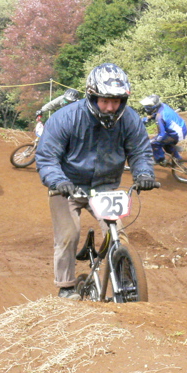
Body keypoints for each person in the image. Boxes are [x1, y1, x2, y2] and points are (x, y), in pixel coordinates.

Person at [35, 63, 157, 300]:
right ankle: (66, 287)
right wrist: (58, 181)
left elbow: (141, 152)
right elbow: (47, 157)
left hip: (104, 187)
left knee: (119, 235)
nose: (111, 107)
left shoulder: (130, 119)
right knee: (69, 234)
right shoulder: (66, 118)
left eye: (117, 101)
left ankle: (127, 285)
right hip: (67, 186)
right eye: (105, 100)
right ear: (92, 96)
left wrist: (144, 174)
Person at [139, 94, 187, 166]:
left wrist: (151, 141)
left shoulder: (160, 117)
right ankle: (178, 159)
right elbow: (155, 114)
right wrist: (146, 119)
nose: (146, 107)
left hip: (176, 134)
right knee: (166, 144)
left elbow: (162, 134)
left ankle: (160, 159)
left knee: (154, 143)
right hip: (182, 129)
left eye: (148, 106)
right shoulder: (162, 106)